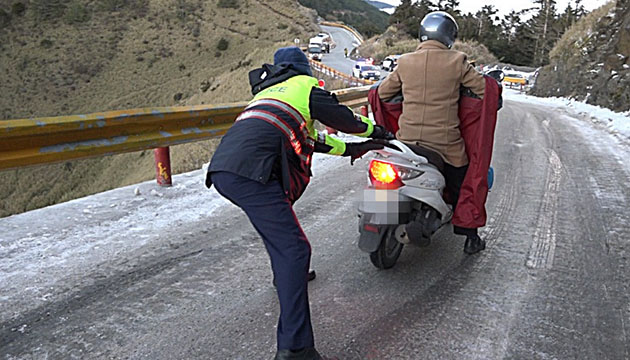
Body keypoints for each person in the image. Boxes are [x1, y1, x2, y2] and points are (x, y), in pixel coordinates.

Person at [205, 46, 393, 360]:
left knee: (281, 234)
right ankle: (294, 347)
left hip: (227, 169)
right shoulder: (304, 86)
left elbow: (309, 139)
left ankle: (286, 275)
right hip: (252, 172)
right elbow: (344, 119)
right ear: (303, 68)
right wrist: (377, 131)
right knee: (295, 249)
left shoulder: (268, 95)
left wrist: (355, 150)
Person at [377, 11, 487, 255]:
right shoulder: (457, 61)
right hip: (445, 143)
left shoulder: (405, 62)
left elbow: (383, 94)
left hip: (407, 140)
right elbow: (483, 89)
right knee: (465, 181)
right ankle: (470, 235)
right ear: (449, 35)